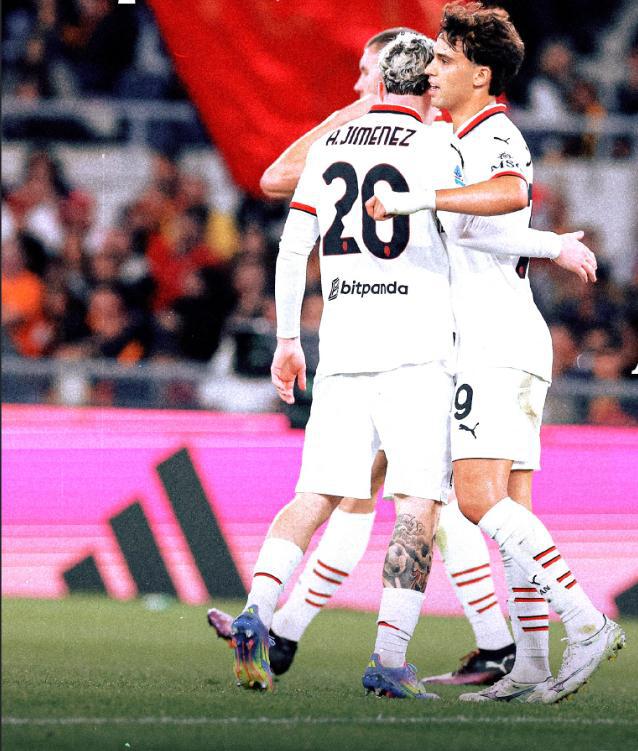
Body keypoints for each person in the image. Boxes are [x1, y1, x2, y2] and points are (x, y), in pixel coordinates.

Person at [211, 26, 520, 690]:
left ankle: (262, 615)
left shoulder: (333, 145)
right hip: (420, 353)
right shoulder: (442, 146)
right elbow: (486, 224)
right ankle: (391, 657)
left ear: (381, 79)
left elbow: (292, 242)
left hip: (345, 351)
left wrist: (288, 341)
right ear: (428, 81)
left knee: (318, 496)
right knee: (419, 504)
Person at [366, 2, 624, 703]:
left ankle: (586, 622)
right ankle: (533, 662)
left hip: (496, 341)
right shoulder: (458, 135)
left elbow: (509, 195)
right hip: (500, 337)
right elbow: (480, 231)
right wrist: (547, 243)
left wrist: (420, 198)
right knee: (510, 508)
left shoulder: (496, 133)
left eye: (447, 59)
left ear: (481, 74)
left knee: (478, 498)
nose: (434, 69)